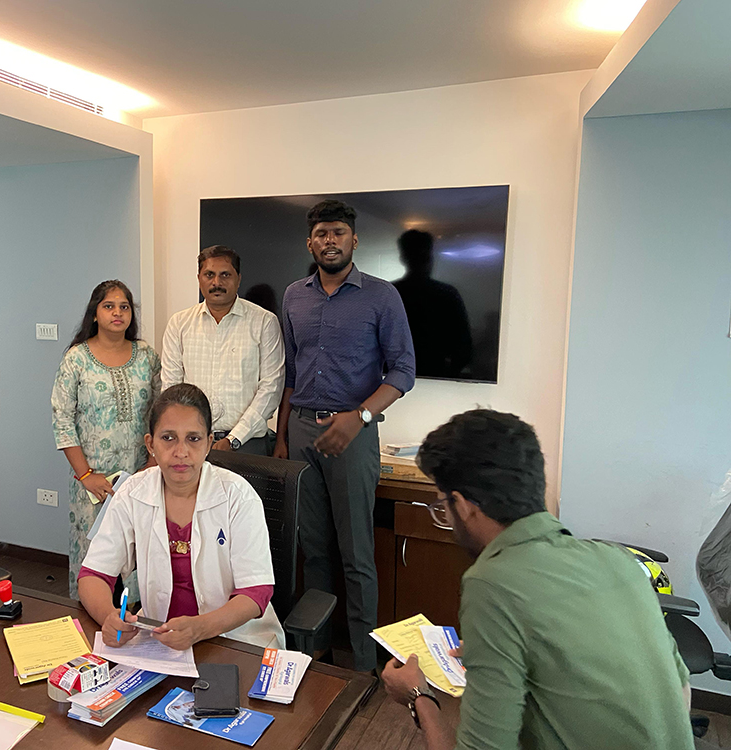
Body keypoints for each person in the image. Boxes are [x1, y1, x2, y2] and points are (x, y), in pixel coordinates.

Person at [381, 409, 694, 750]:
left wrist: (418, 695)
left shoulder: (492, 582)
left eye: (443, 505)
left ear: (463, 504)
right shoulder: (617, 560)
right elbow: (681, 693)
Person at [273, 199, 415, 673]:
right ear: (309, 242)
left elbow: (403, 370)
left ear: (354, 239)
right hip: (301, 431)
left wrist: (361, 416)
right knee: (313, 551)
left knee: (356, 555)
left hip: (354, 433)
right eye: (321, 233)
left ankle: (363, 666)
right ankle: (318, 657)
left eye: (337, 232)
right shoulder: (294, 295)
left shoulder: (381, 296)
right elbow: (291, 371)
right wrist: (281, 435)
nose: (329, 240)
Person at [78, 383, 284, 650]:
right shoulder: (131, 493)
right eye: (168, 438)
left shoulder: (238, 496)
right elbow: (93, 574)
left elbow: (257, 591)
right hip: (159, 638)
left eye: (193, 438)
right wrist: (108, 617)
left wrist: (201, 628)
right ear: (150, 444)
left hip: (235, 640)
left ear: (209, 443)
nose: (181, 452)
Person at [51, 279, 160, 598]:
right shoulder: (77, 358)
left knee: (137, 552)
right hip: (93, 482)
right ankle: (89, 615)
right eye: (109, 306)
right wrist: (86, 476)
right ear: (95, 313)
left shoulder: (146, 355)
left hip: (139, 476)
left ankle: (135, 616)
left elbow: (160, 411)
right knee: (94, 557)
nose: (117, 313)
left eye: (124, 307)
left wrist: (152, 463)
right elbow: (62, 420)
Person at [162, 245, 285, 455]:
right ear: (199, 278)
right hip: (193, 442)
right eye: (209, 275)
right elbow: (171, 387)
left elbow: (271, 388)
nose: (216, 283)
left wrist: (234, 439)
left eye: (225, 275)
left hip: (248, 444)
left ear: (238, 279)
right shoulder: (179, 323)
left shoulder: (264, 322)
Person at [393, 229, 472, 379]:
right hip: (436, 375)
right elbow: (464, 349)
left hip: (394, 378)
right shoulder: (447, 293)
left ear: (403, 258)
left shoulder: (391, 293)